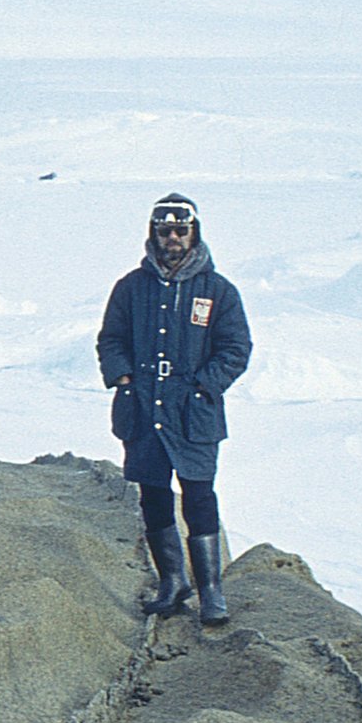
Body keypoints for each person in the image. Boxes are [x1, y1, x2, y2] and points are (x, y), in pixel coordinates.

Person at [96, 193, 252, 624]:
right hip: (144, 405)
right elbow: (110, 339)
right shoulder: (131, 287)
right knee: (153, 494)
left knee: (199, 495)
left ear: (194, 233)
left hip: (193, 409)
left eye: (181, 231)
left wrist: (205, 385)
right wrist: (124, 377)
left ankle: (211, 592)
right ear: (154, 234)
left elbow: (236, 349)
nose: (173, 239)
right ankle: (172, 582)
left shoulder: (218, 291)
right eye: (165, 231)